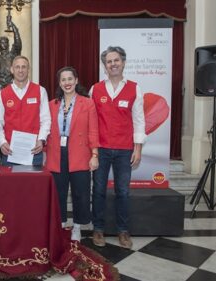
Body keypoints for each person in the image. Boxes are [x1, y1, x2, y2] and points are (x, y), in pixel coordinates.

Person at [90, 46, 146, 249]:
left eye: (116, 60)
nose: (113, 64)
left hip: (124, 150)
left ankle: (123, 231)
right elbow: (91, 121)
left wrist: (138, 148)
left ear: (123, 62)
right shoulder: (95, 89)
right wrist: (93, 150)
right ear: (104, 66)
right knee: (98, 191)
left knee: (123, 191)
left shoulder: (134, 88)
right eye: (109, 61)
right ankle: (98, 229)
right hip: (101, 150)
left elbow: (139, 120)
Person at [45, 66, 99, 242]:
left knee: (80, 192)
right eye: (63, 80)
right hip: (56, 153)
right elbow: (45, 129)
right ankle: (60, 224)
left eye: (70, 79)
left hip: (80, 152)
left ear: (76, 80)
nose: (67, 83)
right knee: (58, 192)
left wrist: (95, 154)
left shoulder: (87, 103)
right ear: (59, 83)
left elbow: (93, 130)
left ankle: (77, 227)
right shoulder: (51, 105)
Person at [0, 55, 51, 166]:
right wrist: (2, 142)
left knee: (34, 184)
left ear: (28, 69)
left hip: (33, 151)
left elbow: (46, 120)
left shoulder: (40, 91)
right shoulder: (2, 94)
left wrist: (41, 140)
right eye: (17, 67)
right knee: (10, 184)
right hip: (10, 152)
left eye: (24, 67)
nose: (20, 70)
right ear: (12, 69)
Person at [0, 19, 22, 92]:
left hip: (11, 86)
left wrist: (14, 28)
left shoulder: (13, 55)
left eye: (6, 42)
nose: (4, 44)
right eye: (2, 43)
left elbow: (18, 43)